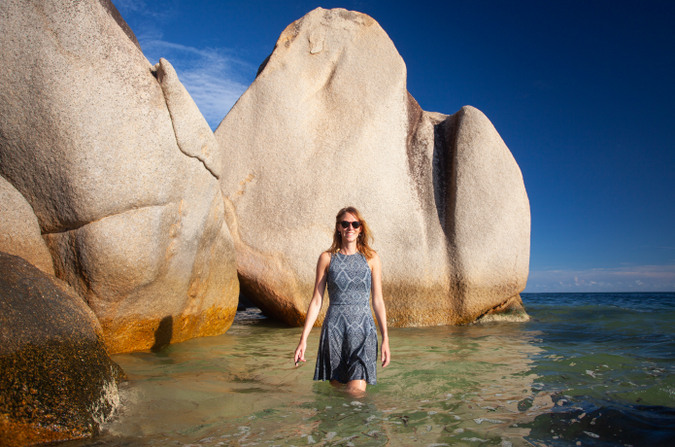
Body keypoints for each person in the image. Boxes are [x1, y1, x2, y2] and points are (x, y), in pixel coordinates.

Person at [293, 206, 390, 396]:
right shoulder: (327, 258)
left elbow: (378, 300)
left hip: (364, 331)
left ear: (361, 228)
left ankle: (364, 425)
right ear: (338, 227)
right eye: (345, 224)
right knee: (337, 395)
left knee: (355, 392)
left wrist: (385, 337)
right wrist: (303, 339)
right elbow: (316, 301)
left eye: (355, 224)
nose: (350, 228)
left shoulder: (372, 258)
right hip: (335, 331)